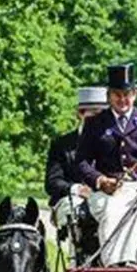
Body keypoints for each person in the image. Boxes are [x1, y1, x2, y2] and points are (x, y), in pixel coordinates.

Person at [76, 62, 137, 265]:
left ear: (135, 94)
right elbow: (81, 161)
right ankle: (113, 265)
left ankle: (133, 263)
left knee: (136, 210)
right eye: (117, 94)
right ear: (109, 95)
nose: (122, 99)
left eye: (127, 94)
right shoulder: (95, 124)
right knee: (111, 210)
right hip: (105, 191)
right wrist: (100, 180)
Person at [45, 86, 108, 260]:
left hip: (105, 197)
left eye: (103, 114)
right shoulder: (62, 144)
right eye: (93, 114)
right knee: (76, 213)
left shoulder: (113, 142)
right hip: (72, 199)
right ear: (80, 114)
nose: (98, 119)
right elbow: (52, 182)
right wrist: (77, 189)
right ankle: (77, 263)